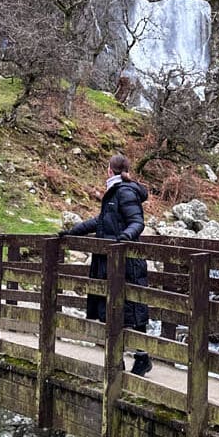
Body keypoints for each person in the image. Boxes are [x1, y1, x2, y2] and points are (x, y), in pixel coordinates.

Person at [62, 153, 153, 375]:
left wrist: (124, 239)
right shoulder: (116, 192)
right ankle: (122, 359)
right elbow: (101, 221)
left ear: (110, 170)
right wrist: (72, 232)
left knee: (130, 309)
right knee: (115, 308)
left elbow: (137, 222)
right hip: (112, 261)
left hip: (125, 262)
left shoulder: (124, 192)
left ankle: (139, 358)